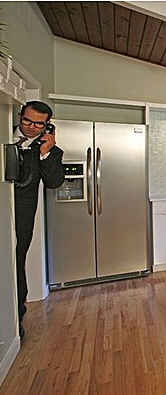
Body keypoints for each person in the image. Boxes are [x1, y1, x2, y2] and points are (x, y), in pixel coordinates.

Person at [13, 101, 64, 339]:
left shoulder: (49, 151)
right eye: (27, 121)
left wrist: (46, 153)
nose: (31, 127)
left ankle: (16, 319)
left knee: (15, 263)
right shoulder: (5, 135)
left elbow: (54, 182)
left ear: (47, 126)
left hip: (21, 217)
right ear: (20, 116)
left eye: (38, 124)